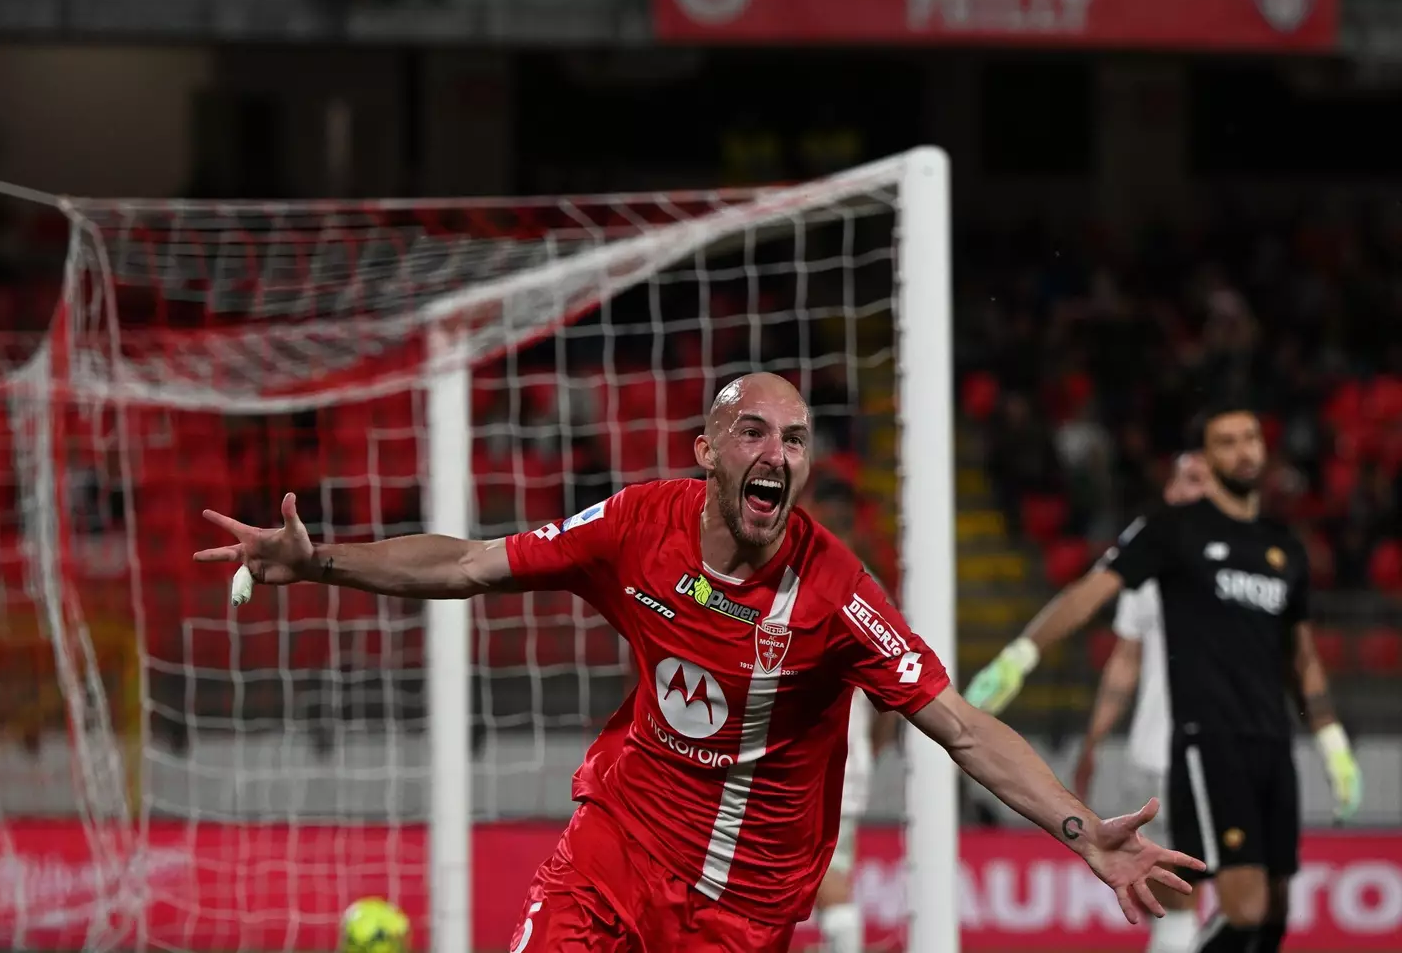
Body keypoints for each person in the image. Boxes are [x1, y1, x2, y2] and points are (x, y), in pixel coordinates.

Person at [197, 373, 1203, 953]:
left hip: (745, 906)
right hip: (620, 846)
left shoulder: (835, 588)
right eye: (755, 430)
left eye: (798, 438)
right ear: (706, 452)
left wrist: (1083, 833)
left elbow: (960, 724)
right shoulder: (636, 523)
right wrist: (319, 561)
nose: (779, 450)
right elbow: (469, 561)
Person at [965, 404, 1363, 953]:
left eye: (1251, 438)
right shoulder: (1173, 534)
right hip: (1207, 743)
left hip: (1272, 742)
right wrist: (1021, 654)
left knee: (1274, 911)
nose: (1243, 450)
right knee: (1237, 908)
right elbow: (1092, 593)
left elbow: (1302, 656)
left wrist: (1331, 739)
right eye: (1227, 441)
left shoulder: (1284, 548)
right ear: (1205, 456)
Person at [1069, 452, 1213, 953]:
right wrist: (1092, 742)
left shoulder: (1242, 558)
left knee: (1184, 895)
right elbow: (1126, 660)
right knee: (1171, 892)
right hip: (1160, 753)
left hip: (1213, 752)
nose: (1185, 490)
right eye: (1179, 480)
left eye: (1198, 480)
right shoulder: (1152, 562)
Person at [805, 478, 901, 953]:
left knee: (826, 880)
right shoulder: (870, 587)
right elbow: (893, 696)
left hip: (814, 763)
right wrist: (874, 746)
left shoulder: (803, 578)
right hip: (846, 758)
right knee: (829, 874)